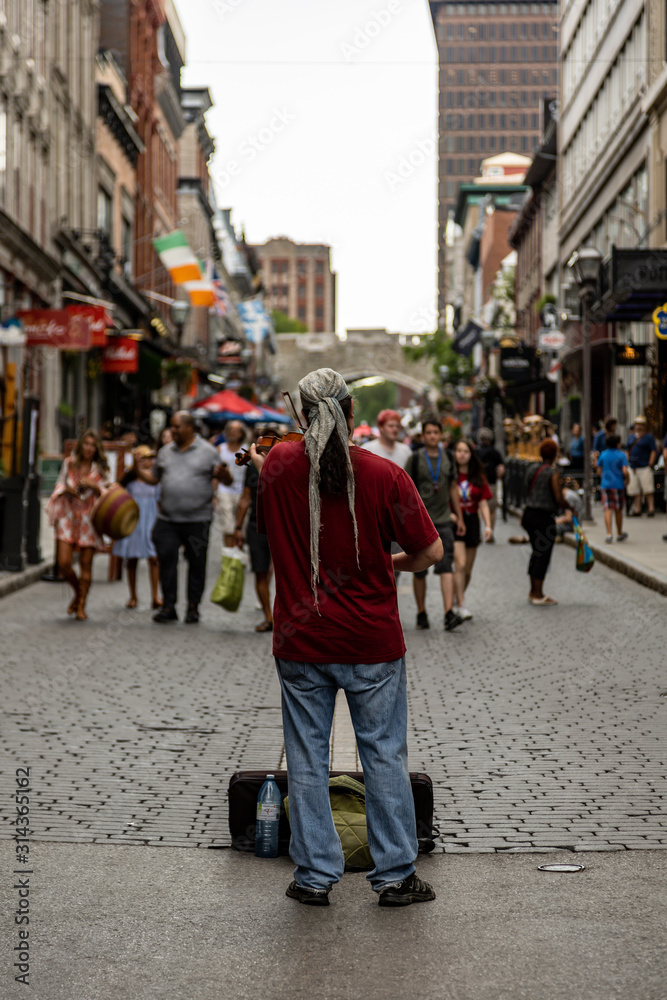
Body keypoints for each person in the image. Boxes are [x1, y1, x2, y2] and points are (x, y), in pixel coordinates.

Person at [253, 368, 442, 907]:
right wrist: (388, 563)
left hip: (300, 641)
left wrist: (266, 463)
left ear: (303, 415)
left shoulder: (279, 468)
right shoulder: (385, 474)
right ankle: (396, 875)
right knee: (383, 755)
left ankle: (314, 876)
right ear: (352, 411)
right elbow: (431, 554)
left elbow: (277, 500)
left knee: (306, 758)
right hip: (370, 642)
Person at [140, 411, 231, 624]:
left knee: (197, 564)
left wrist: (225, 475)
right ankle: (169, 606)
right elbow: (154, 478)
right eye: (171, 427)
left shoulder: (208, 452)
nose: (173, 430)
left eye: (176, 427)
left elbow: (225, 479)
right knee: (167, 562)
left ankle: (193, 607)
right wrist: (136, 471)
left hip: (198, 519)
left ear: (190, 428)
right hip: (168, 519)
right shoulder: (164, 452)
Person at [408, 416, 465, 631]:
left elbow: (452, 488)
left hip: (443, 520)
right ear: (423, 436)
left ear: (441, 435)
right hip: (421, 522)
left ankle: (448, 612)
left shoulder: (448, 457)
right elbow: (407, 490)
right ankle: (421, 612)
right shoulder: (415, 459)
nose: (432, 436)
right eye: (428, 433)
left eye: (435, 432)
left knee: (446, 565)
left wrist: (458, 516)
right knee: (419, 569)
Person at [46, 429, 110, 620]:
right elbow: (59, 484)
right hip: (68, 514)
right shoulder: (69, 464)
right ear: (81, 445)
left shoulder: (100, 470)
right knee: (64, 564)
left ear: (97, 448)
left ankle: (81, 605)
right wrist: (67, 488)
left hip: (89, 518)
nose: (89, 448)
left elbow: (108, 496)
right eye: (86, 444)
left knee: (86, 564)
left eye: (93, 445)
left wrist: (94, 486)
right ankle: (77, 592)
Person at [521, 439, 572, 605]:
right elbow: (558, 497)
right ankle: (538, 594)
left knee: (536, 552)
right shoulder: (552, 473)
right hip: (543, 517)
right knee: (543, 555)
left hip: (529, 515)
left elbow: (526, 488)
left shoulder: (531, 469)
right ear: (555, 454)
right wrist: (570, 507)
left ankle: (532, 591)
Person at [112, 445, 162, 608]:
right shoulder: (130, 478)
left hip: (151, 519)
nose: (147, 461)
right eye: (142, 458)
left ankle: (155, 595)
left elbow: (160, 500)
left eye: (149, 458)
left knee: (154, 558)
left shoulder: (156, 478)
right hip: (134, 520)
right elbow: (117, 493)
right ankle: (133, 596)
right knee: (131, 558)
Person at [452, 438, 493, 620]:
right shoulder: (450, 475)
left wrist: (488, 526)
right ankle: (461, 604)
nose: (462, 454)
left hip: (473, 522)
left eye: (465, 451)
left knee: (467, 569)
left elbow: (483, 503)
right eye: (459, 450)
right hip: (454, 522)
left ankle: (455, 597)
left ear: (471, 455)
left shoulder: (478, 476)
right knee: (459, 564)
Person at [234, 447, 273, 632]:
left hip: (282, 525)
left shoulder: (288, 462)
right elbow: (246, 497)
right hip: (256, 525)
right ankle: (268, 616)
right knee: (260, 571)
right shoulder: (252, 467)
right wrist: (238, 527)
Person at [215, 420, 247, 547]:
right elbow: (215, 474)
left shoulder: (247, 449)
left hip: (241, 492)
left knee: (240, 528)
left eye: (236, 431)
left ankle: (237, 557)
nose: (233, 433)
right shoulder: (220, 449)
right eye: (230, 430)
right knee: (228, 527)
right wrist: (214, 494)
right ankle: (228, 554)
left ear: (241, 433)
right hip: (224, 492)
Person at [596, 434, 630, 543]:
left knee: (607, 509)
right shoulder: (621, 455)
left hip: (605, 485)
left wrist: (603, 478)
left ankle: (609, 534)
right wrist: (627, 479)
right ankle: (619, 533)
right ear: (617, 443)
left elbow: (598, 470)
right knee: (618, 510)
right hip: (618, 485)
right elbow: (625, 471)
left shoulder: (603, 454)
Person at [625, 416, 657, 517]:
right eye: (637, 424)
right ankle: (637, 509)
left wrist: (650, 463)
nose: (638, 426)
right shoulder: (631, 437)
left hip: (644, 466)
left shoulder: (649, 437)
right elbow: (627, 449)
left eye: (640, 424)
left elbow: (653, 450)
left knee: (648, 489)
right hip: (633, 467)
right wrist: (627, 460)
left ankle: (651, 508)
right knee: (635, 490)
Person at [477, 428, 505, 535]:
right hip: (491, 483)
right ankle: (490, 530)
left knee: (480, 508)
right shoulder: (495, 452)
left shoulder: (477, 452)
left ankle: (480, 532)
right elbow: (501, 468)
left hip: (479, 483)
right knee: (492, 509)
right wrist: (499, 476)